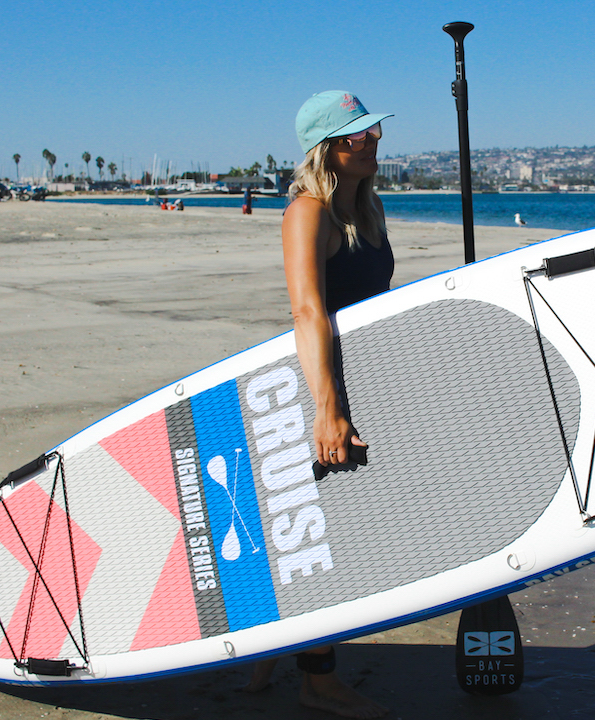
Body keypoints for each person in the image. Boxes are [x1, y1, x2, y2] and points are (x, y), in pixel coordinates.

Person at [243, 90, 393, 719]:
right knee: (327, 539)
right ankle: (318, 680)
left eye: (373, 131)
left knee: (342, 530)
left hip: (362, 382)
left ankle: (272, 649)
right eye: (359, 134)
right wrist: (326, 409)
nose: (374, 140)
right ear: (327, 148)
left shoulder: (366, 211)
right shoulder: (309, 213)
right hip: (325, 385)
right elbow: (307, 312)